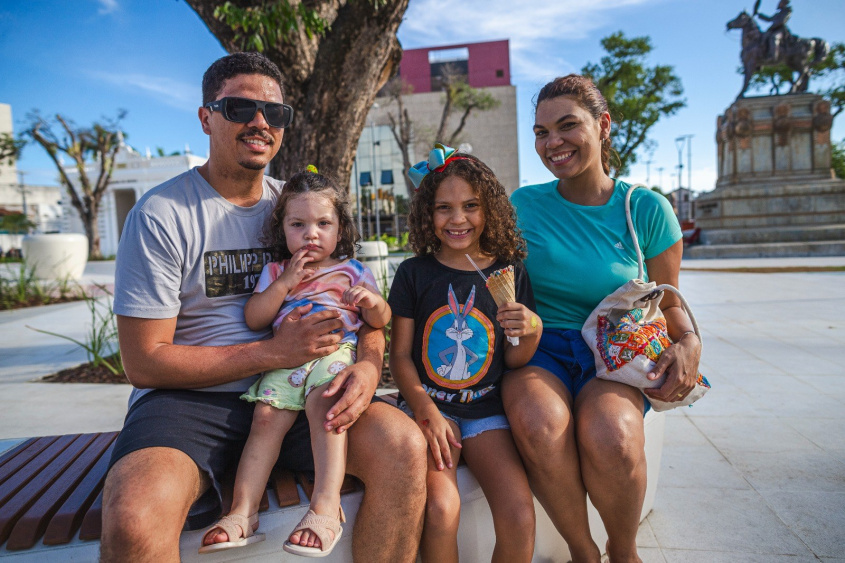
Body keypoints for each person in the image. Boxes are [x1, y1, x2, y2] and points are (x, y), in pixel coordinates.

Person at [101, 52, 426, 563]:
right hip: (189, 402)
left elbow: (358, 304)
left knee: (404, 448)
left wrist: (366, 364)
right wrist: (273, 353)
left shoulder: (298, 209)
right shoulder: (162, 215)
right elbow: (143, 361)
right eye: (240, 107)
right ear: (207, 116)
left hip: (308, 386)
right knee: (134, 518)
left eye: (273, 113)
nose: (259, 122)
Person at [506, 75, 702, 563]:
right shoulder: (522, 205)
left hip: (612, 351)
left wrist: (690, 342)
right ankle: (582, 552)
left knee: (612, 434)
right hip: (539, 349)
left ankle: (623, 550)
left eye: (567, 126)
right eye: (541, 132)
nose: (552, 143)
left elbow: (670, 300)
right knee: (538, 423)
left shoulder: (646, 209)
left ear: (603, 125)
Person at [199, 169, 391, 557]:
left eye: (324, 223)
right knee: (265, 419)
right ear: (282, 229)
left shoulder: (353, 270)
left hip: (332, 355)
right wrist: (285, 282)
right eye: (297, 224)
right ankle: (242, 511)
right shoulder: (275, 272)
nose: (311, 234)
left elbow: (381, 321)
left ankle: (325, 505)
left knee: (327, 407)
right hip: (285, 360)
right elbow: (255, 318)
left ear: (340, 228)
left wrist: (373, 303)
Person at [388, 145, 541, 563]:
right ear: (427, 214)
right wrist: (425, 411)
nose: (458, 219)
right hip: (430, 410)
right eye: (444, 208)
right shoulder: (413, 273)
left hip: (487, 412)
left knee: (519, 514)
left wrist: (532, 329)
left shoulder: (509, 271)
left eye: (471, 205)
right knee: (440, 509)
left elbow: (514, 361)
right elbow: (399, 356)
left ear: (489, 208)